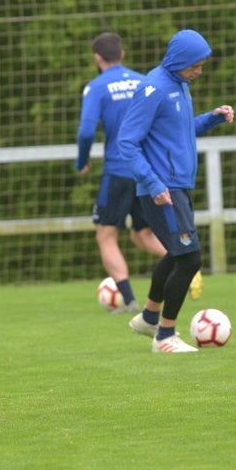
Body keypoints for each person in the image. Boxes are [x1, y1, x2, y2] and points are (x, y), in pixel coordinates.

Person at [118, 29, 233, 353]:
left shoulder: (179, 85)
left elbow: (179, 131)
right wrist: (153, 183)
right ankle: (165, 336)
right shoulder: (154, 88)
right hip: (161, 188)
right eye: (195, 66)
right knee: (190, 258)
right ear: (179, 60)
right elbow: (127, 141)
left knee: (178, 253)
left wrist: (210, 119)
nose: (199, 71)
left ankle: (149, 317)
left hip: (176, 185)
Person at [75, 32, 168, 313]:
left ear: (97, 58)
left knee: (106, 235)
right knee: (142, 234)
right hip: (147, 171)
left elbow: (86, 131)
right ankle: (187, 264)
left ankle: (128, 300)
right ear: (122, 55)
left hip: (118, 171)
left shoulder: (96, 87)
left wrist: (82, 161)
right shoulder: (145, 82)